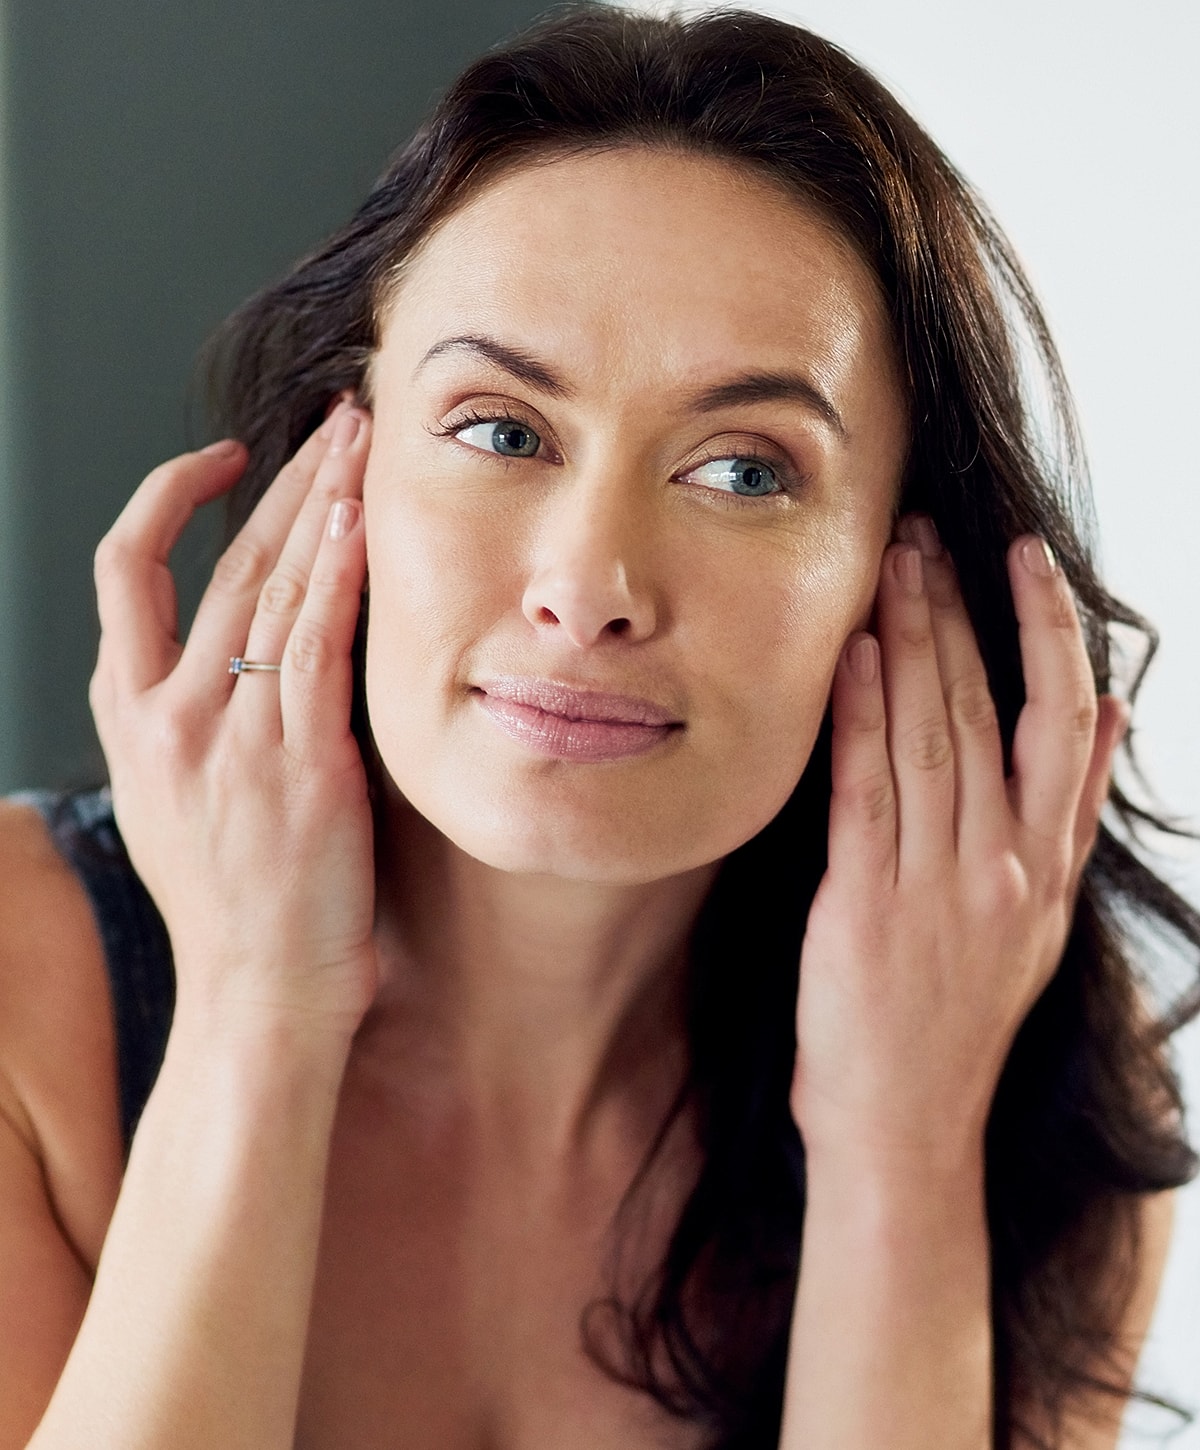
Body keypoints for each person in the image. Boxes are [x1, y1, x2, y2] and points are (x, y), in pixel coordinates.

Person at [1, 5, 1196, 1448]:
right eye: (502, 429)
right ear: (348, 466)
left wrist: (901, 1153)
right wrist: (259, 1012)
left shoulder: (1041, 1095)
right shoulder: (27, 990)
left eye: (745, 469)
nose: (589, 588)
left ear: (899, 568)